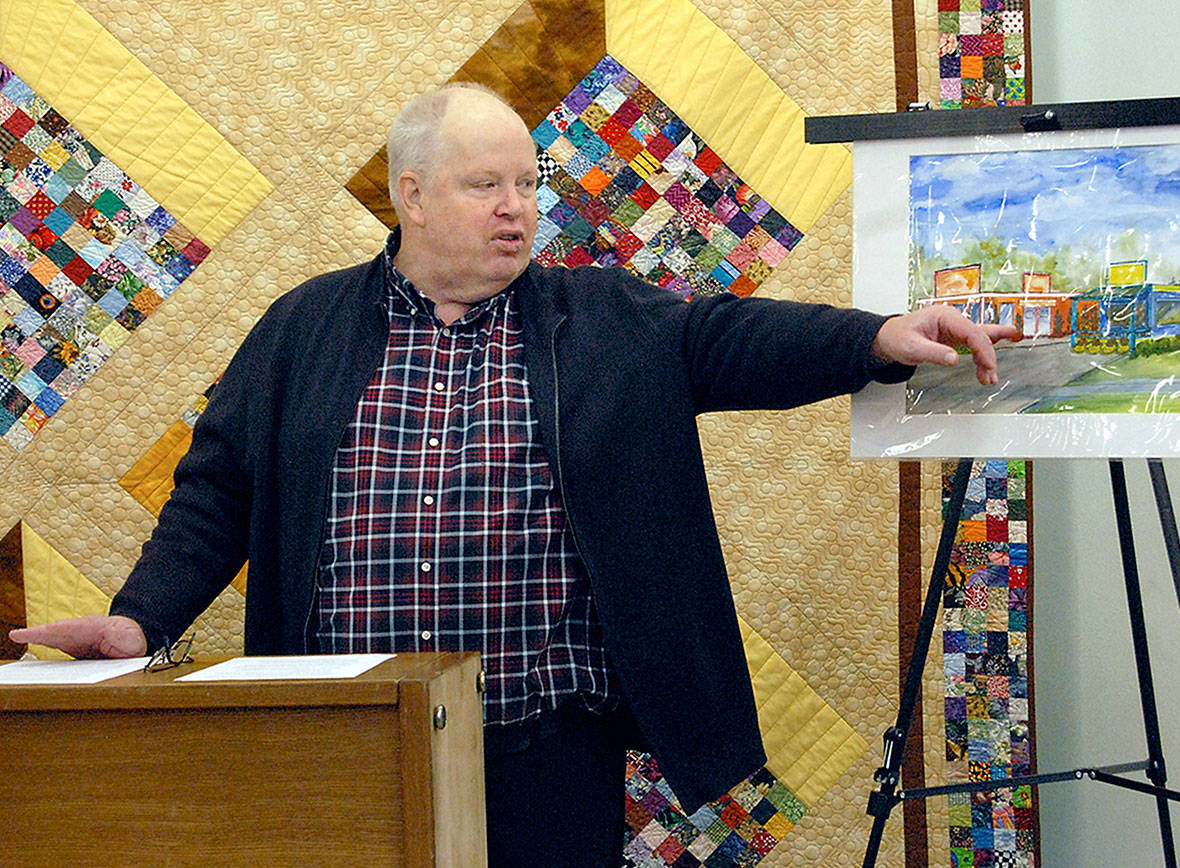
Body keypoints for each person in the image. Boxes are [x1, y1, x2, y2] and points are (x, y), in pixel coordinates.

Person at [11, 83, 1017, 865]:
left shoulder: (604, 318)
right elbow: (215, 494)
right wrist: (141, 619)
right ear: (411, 194)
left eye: (529, 183)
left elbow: (734, 336)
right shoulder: (302, 328)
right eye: (485, 184)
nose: (517, 207)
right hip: (352, 742)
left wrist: (881, 336)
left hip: (550, 753)